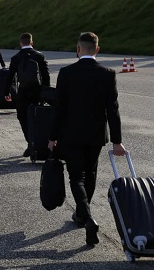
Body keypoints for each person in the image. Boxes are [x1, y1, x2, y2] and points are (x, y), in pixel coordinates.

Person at [48, 32, 126, 246]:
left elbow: (59, 109)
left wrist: (52, 136)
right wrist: (117, 141)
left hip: (70, 134)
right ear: (97, 49)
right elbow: (113, 110)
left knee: (77, 177)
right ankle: (84, 214)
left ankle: (87, 216)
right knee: (90, 174)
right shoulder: (108, 74)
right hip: (95, 135)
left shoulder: (66, 73)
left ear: (78, 49)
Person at [4, 32, 50, 156]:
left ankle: (30, 142)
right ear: (31, 42)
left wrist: (6, 92)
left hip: (23, 92)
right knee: (38, 117)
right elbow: (46, 75)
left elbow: (10, 77)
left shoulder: (16, 58)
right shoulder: (40, 56)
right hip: (37, 91)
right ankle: (39, 143)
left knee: (22, 117)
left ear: (20, 43)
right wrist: (45, 92)